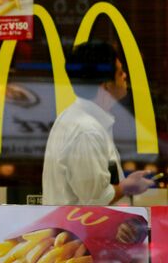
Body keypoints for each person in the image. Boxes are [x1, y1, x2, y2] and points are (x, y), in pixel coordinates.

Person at [42, 41, 155, 205]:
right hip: (79, 230)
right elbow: (96, 201)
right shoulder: (86, 130)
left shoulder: (81, 120)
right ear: (106, 86)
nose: (125, 76)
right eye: (120, 72)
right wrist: (127, 187)